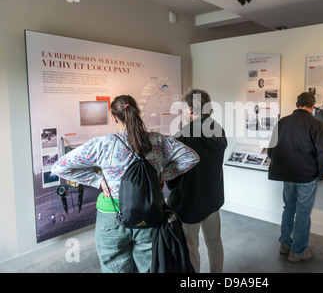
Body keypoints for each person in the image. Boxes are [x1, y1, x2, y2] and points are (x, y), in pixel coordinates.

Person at [51, 95, 199, 273]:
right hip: (150, 212)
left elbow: (59, 167)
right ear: (137, 112)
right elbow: (191, 157)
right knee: (150, 267)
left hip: (112, 215)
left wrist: (96, 180)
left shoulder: (104, 144)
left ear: (114, 117)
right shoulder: (158, 141)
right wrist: (163, 176)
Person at [166, 89, 227, 273]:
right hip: (212, 198)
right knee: (214, 242)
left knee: (191, 247)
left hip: (189, 202)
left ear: (189, 109)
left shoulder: (182, 136)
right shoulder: (218, 130)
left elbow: (172, 177)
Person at [267, 92, 323, 262]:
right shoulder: (317, 125)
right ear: (312, 107)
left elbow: (270, 150)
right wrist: (320, 175)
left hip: (287, 176)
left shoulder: (282, 122)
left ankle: (285, 244)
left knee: (288, 208)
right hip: (306, 176)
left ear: (297, 104)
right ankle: (297, 251)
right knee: (303, 213)